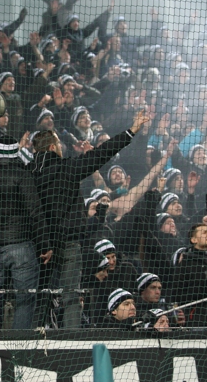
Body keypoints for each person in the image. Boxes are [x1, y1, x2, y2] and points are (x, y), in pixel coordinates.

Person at [28, 110, 149, 329]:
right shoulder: (67, 168)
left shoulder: (27, 174)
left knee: (40, 294)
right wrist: (131, 131)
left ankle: (34, 336)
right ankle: (72, 340)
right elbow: (103, 153)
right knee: (72, 295)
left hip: (39, 243)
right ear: (54, 147)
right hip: (69, 241)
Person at [0, 136, 53, 329]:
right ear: (15, 152)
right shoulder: (23, 176)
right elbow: (35, 213)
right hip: (22, 247)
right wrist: (45, 245)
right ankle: (21, 348)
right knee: (24, 300)